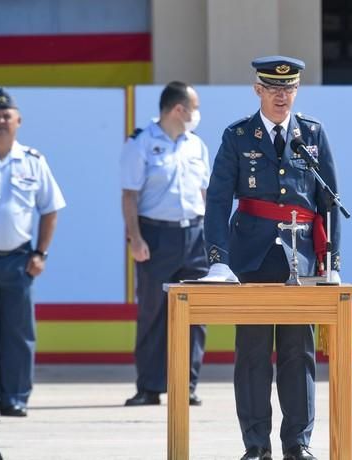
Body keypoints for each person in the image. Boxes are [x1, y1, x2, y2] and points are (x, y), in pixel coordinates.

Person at [202, 56, 341, 460]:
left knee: (299, 353)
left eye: (289, 88)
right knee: (252, 353)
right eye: (273, 88)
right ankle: (256, 445)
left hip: (300, 257)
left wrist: (331, 262)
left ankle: (297, 443)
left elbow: (329, 202)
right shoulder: (238, 135)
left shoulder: (312, 135)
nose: (282, 96)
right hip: (252, 257)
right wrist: (218, 258)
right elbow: (216, 201)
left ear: (297, 90)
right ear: (257, 90)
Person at [0, 88, 66, 417]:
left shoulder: (33, 161)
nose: (1, 121)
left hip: (19, 260)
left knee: (19, 333)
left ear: (18, 121)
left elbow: (51, 209)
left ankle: (16, 397)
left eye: (7, 116)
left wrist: (41, 253)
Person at [120, 81, 209, 407]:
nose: (198, 114)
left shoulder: (197, 145)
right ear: (179, 110)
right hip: (156, 236)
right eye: (195, 107)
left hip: (195, 235)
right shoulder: (141, 143)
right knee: (153, 313)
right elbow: (129, 195)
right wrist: (135, 238)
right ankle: (149, 386)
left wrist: (214, 241)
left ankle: (186, 385)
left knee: (195, 315)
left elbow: (205, 195)